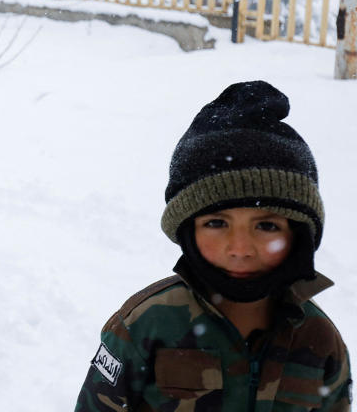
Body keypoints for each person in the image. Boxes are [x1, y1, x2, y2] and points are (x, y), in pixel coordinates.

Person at [74, 80, 352, 411]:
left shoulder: (319, 339)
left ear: (299, 235)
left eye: (266, 225)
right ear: (187, 229)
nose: (240, 248)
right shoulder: (146, 326)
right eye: (216, 224)